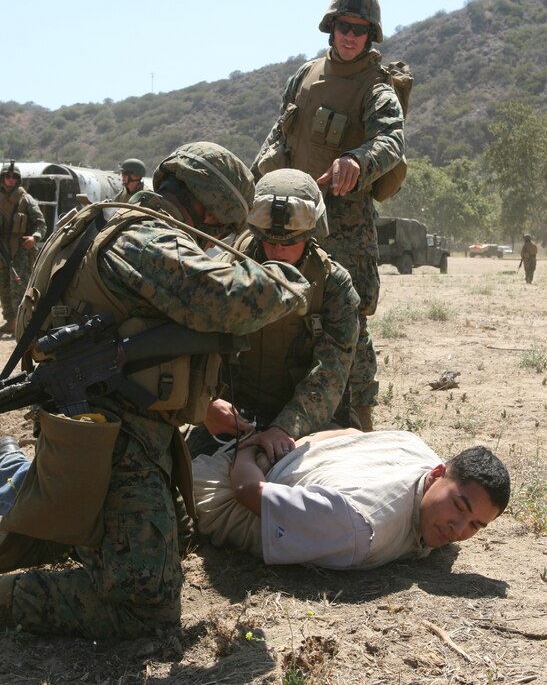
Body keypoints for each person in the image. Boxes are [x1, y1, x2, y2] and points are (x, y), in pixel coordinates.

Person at [0, 141, 311, 639]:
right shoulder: (143, 240)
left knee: (176, 536)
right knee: (144, 606)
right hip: (111, 440)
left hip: (106, 427)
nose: (217, 241)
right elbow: (236, 300)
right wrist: (289, 277)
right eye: (222, 230)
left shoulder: (108, 221)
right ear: (208, 208)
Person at [252, 0, 407, 432]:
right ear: (331, 26)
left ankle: (360, 420)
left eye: (360, 29)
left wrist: (358, 161)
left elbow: (392, 140)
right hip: (291, 217)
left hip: (345, 223)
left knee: (347, 318)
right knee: (277, 304)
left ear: (370, 35)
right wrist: (255, 182)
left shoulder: (376, 87)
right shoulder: (304, 75)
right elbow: (281, 133)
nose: (351, 35)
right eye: (344, 25)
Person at [186, 169, 360, 465]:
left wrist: (284, 427)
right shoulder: (225, 272)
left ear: (310, 236)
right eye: (269, 240)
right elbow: (189, 345)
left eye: (289, 242)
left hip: (306, 423)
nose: (277, 251)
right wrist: (204, 405)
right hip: (230, 421)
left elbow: (331, 371)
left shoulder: (333, 285)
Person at [193, 429, 510, 571]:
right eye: (459, 506)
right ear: (438, 473)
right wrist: (250, 445)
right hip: (210, 492)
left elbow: (351, 430)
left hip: (268, 457)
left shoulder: (414, 447)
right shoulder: (359, 527)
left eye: (475, 526)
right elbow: (248, 493)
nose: (457, 530)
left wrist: (283, 446)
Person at [0, 161, 47, 335]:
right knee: (4, 288)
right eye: (7, 176)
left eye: (13, 177)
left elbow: (41, 224)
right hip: (2, 251)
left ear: (18, 179)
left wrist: (34, 238)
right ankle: (11, 322)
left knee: (20, 290)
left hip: (20, 251)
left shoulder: (26, 200)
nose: (10, 179)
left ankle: (24, 324)